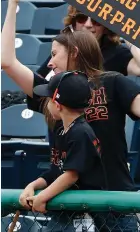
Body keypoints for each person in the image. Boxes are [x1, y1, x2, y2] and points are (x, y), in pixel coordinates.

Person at [2, 0, 140, 231]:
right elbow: (7, 62)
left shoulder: (113, 81)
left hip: (114, 200)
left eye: (55, 55)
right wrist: (12, 2)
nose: (50, 62)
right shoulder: (52, 87)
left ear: (74, 53)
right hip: (66, 202)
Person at [19, 71, 106, 216]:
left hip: (85, 215)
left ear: (57, 105)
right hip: (66, 214)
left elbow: (71, 175)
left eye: (48, 99)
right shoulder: (62, 130)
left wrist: (42, 196)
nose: (46, 104)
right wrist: (32, 186)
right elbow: (55, 171)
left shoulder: (81, 132)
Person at [37, 5, 140, 79]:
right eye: (82, 18)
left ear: (106, 27)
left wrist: (125, 30)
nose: (88, 25)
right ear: (74, 22)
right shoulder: (64, 47)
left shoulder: (117, 53)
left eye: (96, 20)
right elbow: (39, 81)